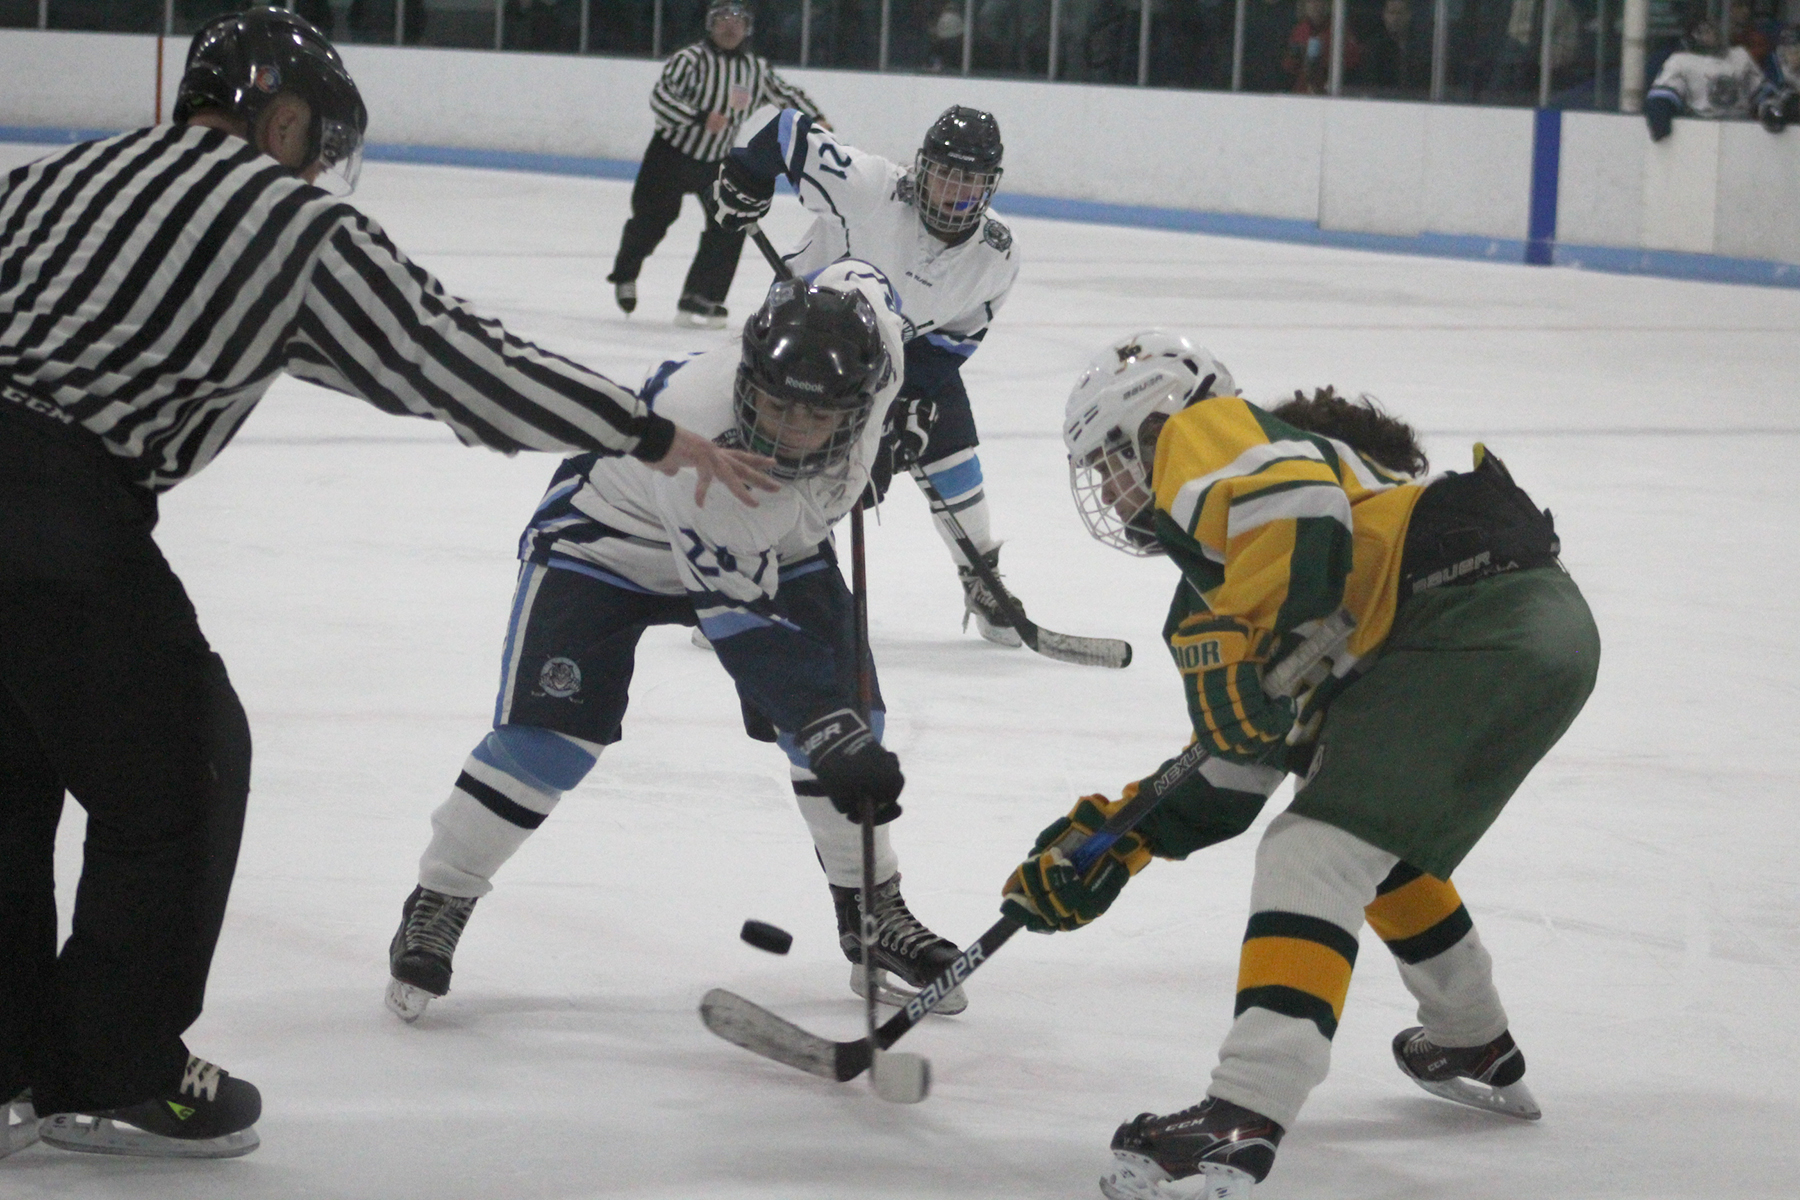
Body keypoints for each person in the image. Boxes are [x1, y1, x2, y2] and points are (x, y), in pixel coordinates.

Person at [0, 7, 771, 1163]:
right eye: (314, 141)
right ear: (283, 115)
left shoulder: (61, 175)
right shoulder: (289, 223)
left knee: (13, 780)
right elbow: (452, 356)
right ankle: (116, 1066)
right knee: (184, 767)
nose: (317, 168)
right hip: (49, 511)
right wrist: (647, 433)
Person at [998, 332, 1600, 1199]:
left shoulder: (1206, 434)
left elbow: (1299, 503)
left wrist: (1241, 633)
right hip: (1542, 629)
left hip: (1471, 618)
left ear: (1156, 424)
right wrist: (1115, 842)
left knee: (1310, 851)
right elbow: (1235, 769)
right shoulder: (1295, 553)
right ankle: (1474, 1036)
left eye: (1109, 462)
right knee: (1365, 836)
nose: (1107, 487)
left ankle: (1241, 1115)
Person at [384, 260, 971, 1025]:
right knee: (550, 740)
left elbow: (865, 283)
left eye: (813, 418)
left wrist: (901, 415)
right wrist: (828, 731)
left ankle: (873, 911)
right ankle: (442, 896)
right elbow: (742, 628)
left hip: (779, 542)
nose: (786, 430)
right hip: (610, 544)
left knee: (857, 718)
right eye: (771, 404)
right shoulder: (704, 433)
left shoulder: (878, 352)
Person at [708, 105, 1033, 645]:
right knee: (807, 469)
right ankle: (748, 578)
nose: (954, 190)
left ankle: (980, 574)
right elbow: (784, 131)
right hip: (803, 345)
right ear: (921, 168)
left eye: (970, 181)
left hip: (891, 356)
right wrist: (746, 175)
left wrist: (910, 400)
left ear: (990, 187)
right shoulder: (872, 187)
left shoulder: (997, 256)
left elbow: (956, 337)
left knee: (949, 436)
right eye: (945, 173)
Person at [606, 1, 828, 329]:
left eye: (738, 21)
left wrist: (816, 120)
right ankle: (625, 273)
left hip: (714, 160)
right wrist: (698, 116)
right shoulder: (689, 59)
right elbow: (661, 98)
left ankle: (702, 296)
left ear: (748, 27)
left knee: (729, 224)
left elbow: (786, 94)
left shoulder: (754, 69)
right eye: (724, 19)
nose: (731, 26)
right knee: (652, 220)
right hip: (670, 154)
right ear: (711, 24)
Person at [1644, 13, 1783, 138]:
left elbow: (1762, 93)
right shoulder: (1680, 61)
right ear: (1693, 36)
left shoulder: (1740, 56)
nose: (1711, 36)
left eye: (1713, 31)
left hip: (1741, 127)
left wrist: (1771, 111)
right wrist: (1660, 115)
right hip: (1698, 128)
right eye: (1704, 32)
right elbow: (1663, 96)